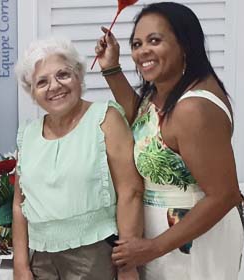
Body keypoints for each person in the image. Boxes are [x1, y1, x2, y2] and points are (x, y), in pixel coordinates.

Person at [94, 2, 244, 279]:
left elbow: (224, 195)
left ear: (185, 44)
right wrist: (112, 69)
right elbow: (143, 124)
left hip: (193, 242)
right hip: (165, 240)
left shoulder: (193, 109)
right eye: (137, 44)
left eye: (155, 40)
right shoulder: (163, 91)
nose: (143, 51)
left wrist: (151, 248)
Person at [11, 38, 145, 280]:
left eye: (63, 74)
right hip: (40, 258)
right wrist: (20, 265)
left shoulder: (105, 117)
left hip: (96, 254)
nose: (54, 86)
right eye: (42, 81)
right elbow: (20, 205)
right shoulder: (27, 134)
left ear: (79, 77)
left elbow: (131, 191)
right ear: (32, 92)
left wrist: (128, 266)